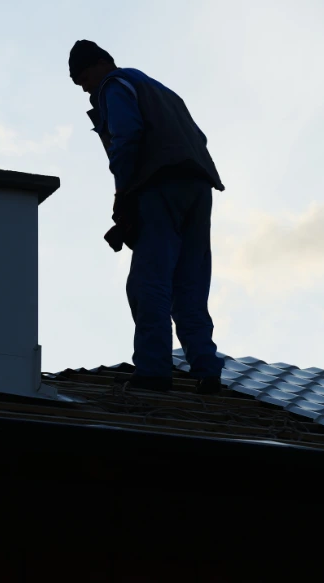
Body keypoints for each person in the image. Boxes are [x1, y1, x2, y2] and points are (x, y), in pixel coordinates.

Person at [69, 40, 224, 394]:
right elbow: (198, 136)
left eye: (83, 78)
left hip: (160, 186)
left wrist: (123, 194)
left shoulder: (116, 85)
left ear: (99, 65)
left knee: (148, 282)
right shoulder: (161, 91)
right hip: (198, 189)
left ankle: (154, 371)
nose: (85, 88)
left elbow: (126, 136)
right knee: (189, 285)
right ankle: (207, 370)